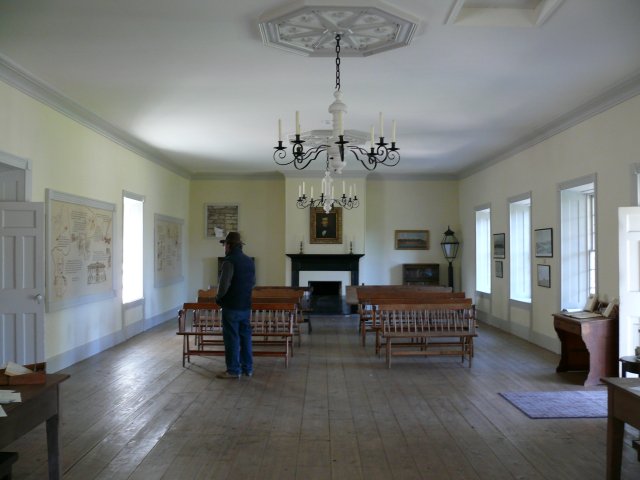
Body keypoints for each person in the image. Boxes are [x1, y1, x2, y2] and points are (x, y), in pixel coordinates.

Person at [215, 231, 256, 379]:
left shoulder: (229, 261)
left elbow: (223, 286)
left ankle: (233, 370)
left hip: (231, 306)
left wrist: (219, 299)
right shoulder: (249, 261)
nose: (224, 248)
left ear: (229, 245)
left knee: (232, 338)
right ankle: (248, 368)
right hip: (245, 306)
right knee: (245, 338)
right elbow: (253, 283)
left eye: (224, 244)